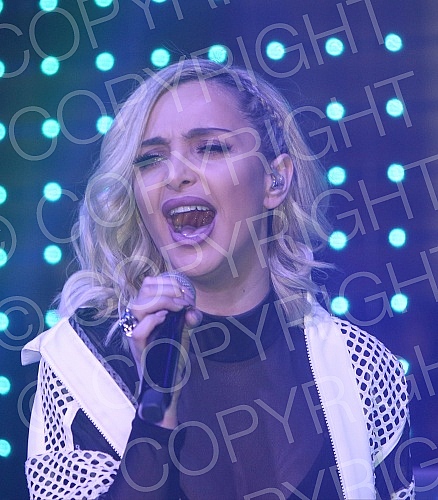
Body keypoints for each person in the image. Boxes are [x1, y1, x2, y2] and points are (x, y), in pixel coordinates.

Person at [22, 59, 414, 499]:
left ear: (275, 179)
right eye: (150, 159)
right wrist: (155, 404)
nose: (176, 175)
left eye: (209, 148)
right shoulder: (81, 367)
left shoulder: (358, 367)